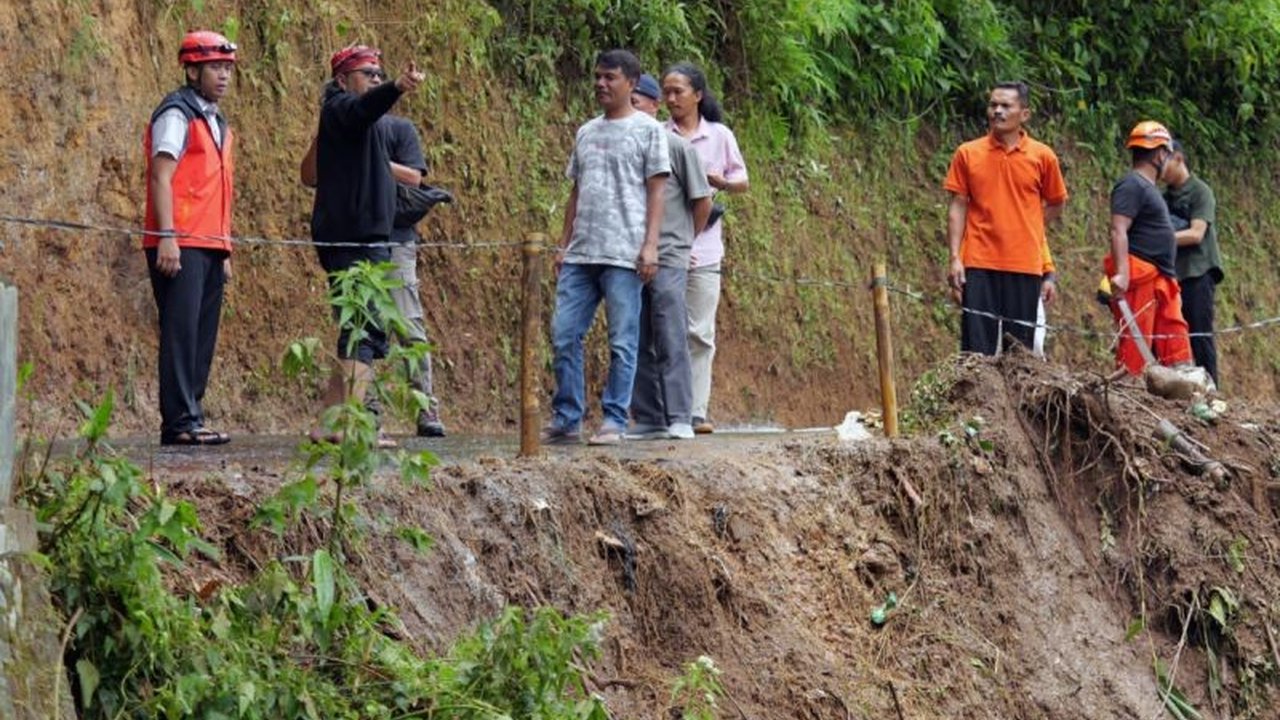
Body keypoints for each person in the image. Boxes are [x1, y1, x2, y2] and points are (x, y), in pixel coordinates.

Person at [301, 84, 446, 437]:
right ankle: (361, 418)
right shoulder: (340, 120)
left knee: (405, 326)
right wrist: (333, 139)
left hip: (395, 241)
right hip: (357, 242)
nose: (374, 80)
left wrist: (370, 157)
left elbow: (414, 176)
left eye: (378, 75)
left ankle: (424, 407)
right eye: (368, 73)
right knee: (359, 329)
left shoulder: (398, 129)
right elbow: (309, 176)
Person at [544, 49, 670, 446]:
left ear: (631, 84)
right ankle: (567, 417)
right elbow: (576, 191)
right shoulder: (586, 131)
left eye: (610, 77)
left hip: (624, 254)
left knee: (622, 340)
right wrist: (563, 245)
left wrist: (650, 246)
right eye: (597, 76)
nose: (600, 83)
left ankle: (614, 418)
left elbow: (657, 192)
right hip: (582, 253)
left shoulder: (649, 131)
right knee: (564, 334)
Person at [143, 30, 237, 446]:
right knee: (181, 331)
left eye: (227, 69)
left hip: (210, 242)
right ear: (193, 69)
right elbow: (161, 175)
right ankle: (179, 421)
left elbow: (216, 187)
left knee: (202, 333)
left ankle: (191, 416)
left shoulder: (216, 121)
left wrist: (225, 247)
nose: (223, 76)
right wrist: (166, 235)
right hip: (179, 239)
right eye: (215, 68)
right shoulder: (176, 113)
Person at [944, 81, 1067, 356]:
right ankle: (976, 401)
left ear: (1024, 114)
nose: (997, 111)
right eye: (993, 104)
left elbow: (1057, 202)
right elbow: (957, 206)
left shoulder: (1042, 156)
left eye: (1006, 106)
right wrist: (955, 257)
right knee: (976, 351)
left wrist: (1028, 225)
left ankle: (1014, 401)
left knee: (1020, 354)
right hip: (978, 262)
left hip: (1024, 265)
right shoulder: (968, 153)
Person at [662, 62, 748, 435]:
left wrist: (721, 183)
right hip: (666, 244)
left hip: (706, 247)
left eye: (678, 91)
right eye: (666, 91)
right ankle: (666, 410)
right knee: (665, 329)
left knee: (699, 331)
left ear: (698, 95)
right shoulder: (656, 133)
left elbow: (742, 180)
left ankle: (696, 410)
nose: (671, 98)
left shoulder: (720, 136)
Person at [628, 73, 713, 441]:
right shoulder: (623, 146)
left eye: (637, 102)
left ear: (653, 106)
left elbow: (702, 200)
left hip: (670, 255)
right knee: (634, 332)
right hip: (629, 254)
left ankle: (680, 414)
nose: (631, 109)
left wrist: (683, 241)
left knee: (670, 330)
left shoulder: (676, 147)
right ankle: (649, 416)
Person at [1106, 121, 1193, 375]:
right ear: (1159, 153)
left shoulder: (1148, 188)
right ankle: (1128, 391)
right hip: (1139, 272)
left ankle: (1180, 386)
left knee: (1174, 334)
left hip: (1160, 275)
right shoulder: (1131, 185)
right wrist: (1121, 272)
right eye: (1166, 153)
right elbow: (1118, 229)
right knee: (1136, 341)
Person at [1163, 140, 1223, 385]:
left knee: (1200, 335)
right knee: (1171, 337)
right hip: (1172, 276)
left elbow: (1197, 233)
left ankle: (1212, 391)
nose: (1160, 168)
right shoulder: (1162, 198)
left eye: (1164, 161)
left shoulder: (1200, 191)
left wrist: (1160, 239)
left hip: (1198, 273)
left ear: (1178, 159)